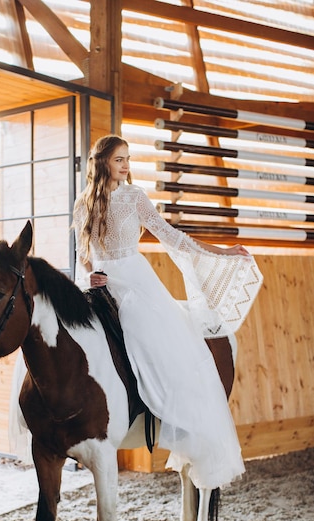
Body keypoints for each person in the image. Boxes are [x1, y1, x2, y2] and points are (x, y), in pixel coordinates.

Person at [72, 134, 263, 490]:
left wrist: (221, 252)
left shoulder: (134, 197)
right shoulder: (84, 203)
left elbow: (170, 235)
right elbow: (84, 254)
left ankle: (168, 417)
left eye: (128, 158)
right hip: (99, 286)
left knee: (149, 333)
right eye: (119, 159)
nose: (126, 165)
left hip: (136, 284)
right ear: (103, 164)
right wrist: (88, 275)